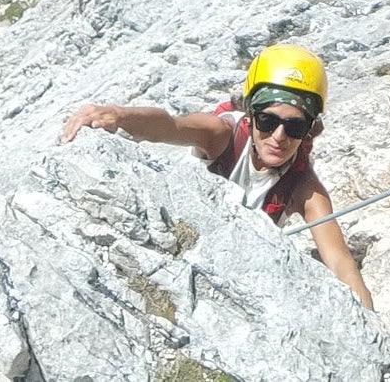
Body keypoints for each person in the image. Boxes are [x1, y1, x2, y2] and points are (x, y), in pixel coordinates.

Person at [62, 43, 374, 310]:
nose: (279, 136)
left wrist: (370, 326)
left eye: (295, 127)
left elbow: (341, 265)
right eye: (267, 121)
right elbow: (170, 126)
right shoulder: (223, 135)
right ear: (250, 115)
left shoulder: (304, 188)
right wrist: (120, 116)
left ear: (308, 130)